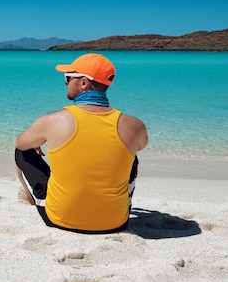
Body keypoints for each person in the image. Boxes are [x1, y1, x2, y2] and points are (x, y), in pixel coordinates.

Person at [15, 53, 148, 233]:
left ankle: (30, 196)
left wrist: (39, 138)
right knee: (130, 156)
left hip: (59, 219)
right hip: (116, 223)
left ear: (84, 83)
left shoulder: (54, 120)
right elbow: (140, 145)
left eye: (68, 77)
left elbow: (21, 143)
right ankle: (120, 202)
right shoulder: (135, 126)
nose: (65, 82)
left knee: (22, 151)